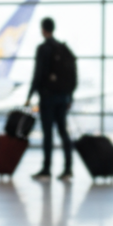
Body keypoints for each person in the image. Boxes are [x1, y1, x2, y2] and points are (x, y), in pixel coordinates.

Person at [25, 17, 77, 181]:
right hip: (63, 97)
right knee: (63, 132)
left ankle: (47, 170)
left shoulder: (43, 49)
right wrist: (69, 96)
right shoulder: (63, 48)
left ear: (43, 29)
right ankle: (68, 169)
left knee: (48, 134)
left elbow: (38, 73)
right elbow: (71, 75)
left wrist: (30, 95)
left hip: (47, 97)